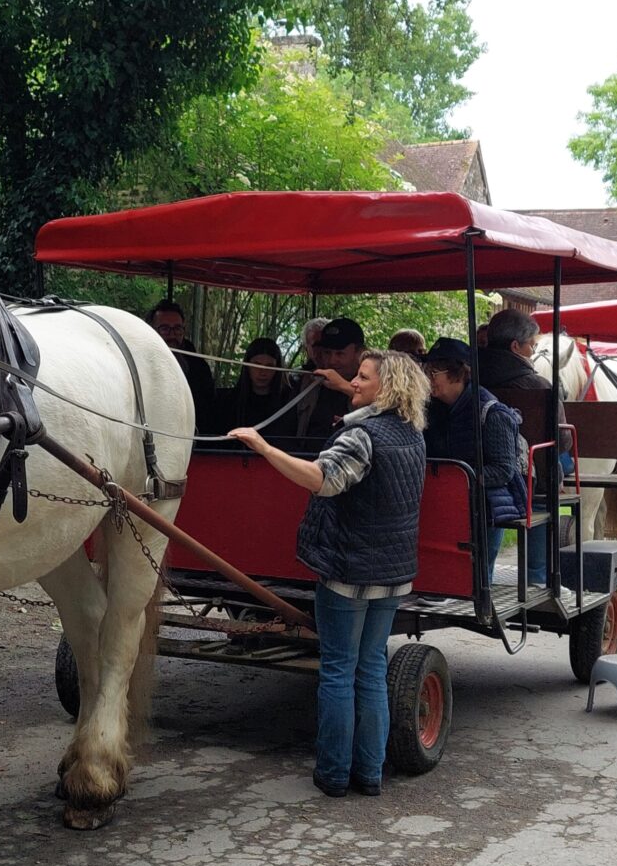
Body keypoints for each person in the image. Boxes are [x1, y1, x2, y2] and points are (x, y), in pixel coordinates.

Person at [228, 350, 429, 798]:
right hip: (393, 573)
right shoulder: (412, 432)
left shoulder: (362, 435)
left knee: (339, 670)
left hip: (348, 572)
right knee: (371, 668)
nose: (353, 382)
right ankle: (369, 774)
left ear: (387, 387)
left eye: (363, 377)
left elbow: (321, 479)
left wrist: (264, 448)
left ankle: (335, 774)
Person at [423, 337, 544, 587]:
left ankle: (474, 585)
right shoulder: (433, 410)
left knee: (474, 579)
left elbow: (502, 470)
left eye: (434, 373)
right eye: (426, 371)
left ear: (459, 374)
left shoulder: (491, 413)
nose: (428, 379)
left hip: (486, 500)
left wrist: (458, 481)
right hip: (447, 498)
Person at [149, 299, 216, 432]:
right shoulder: (141, 361)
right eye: (165, 329)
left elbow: (208, 411)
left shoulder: (198, 368)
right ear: (152, 330)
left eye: (177, 329)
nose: (172, 335)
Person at [297, 316, 364, 438]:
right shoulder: (308, 383)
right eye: (327, 353)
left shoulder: (374, 382)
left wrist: (343, 386)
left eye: (340, 354)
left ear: (359, 353)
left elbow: (385, 406)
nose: (332, 361)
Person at [214, 337, 295, 434]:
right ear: (247, 365)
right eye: (257, 365)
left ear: (277, 369)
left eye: (269, 366)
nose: (263, 372)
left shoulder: (289, 402)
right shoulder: (229, 402)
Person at [477, 308, 550, 394]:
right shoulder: (541, 387)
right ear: (515, 346)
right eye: (532, 346)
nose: (533, 352)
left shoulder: (469, 379)